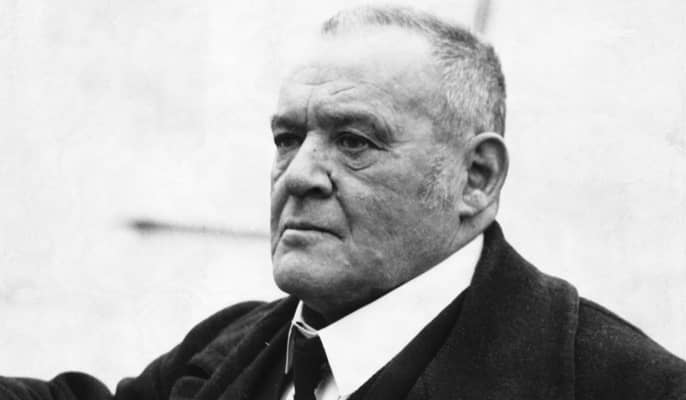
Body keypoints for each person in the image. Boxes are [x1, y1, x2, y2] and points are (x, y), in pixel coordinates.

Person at [2, 6, 685, 400]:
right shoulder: (231, 349)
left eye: (354, 141)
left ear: (476, 178)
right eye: (287, 138)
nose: (299, 175)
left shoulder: (625, 386)